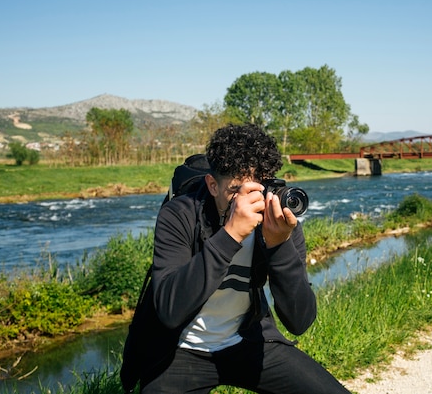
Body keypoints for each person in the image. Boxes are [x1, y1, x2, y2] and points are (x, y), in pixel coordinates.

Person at [141, 123, 351, 393]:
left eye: (259, 189)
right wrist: (230, 235)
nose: (250, 202)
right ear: (213, 185)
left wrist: (280, 245)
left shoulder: (279, 223)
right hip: (181, 350)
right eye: (238, 191)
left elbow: (299, 320)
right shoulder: (179, 214)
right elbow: (170, 311)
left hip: (246, 339)